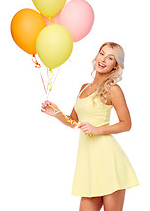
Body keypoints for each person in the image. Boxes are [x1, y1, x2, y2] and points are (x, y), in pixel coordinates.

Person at [41, 42, 140, 211]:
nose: (103, 59)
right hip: (89, 162)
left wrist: (97, 129)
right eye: (102, 54)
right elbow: (74, 120)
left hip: (108, 160)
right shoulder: (84, 88)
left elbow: (126, 124)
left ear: (115, 65)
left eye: (110, 58)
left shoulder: (113, 90)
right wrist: (57, 114)